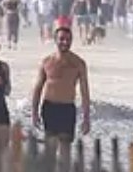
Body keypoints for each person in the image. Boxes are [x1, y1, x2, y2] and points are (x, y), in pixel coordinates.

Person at [31, 26, 92, 163]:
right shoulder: (47, 62)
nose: (65, 42)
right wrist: (34, 112)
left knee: (65, 147)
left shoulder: (78, 64)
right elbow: (38, 87)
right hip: (49, 107)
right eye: (62, 39)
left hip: (67, 108)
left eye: (68, 39)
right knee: (50, 147)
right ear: (55, 40)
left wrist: (86, 117)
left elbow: (84, 91)